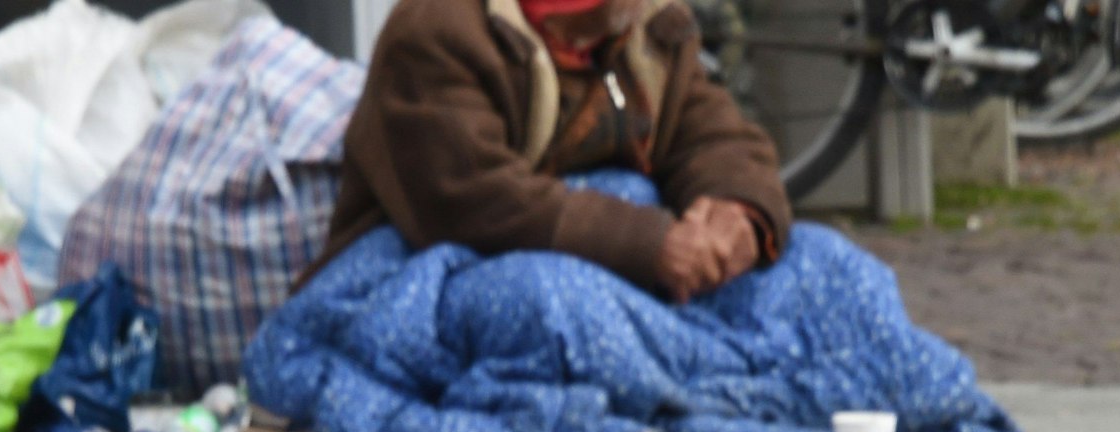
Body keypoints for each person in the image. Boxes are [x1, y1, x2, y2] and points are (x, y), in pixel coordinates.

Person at [303, 0, 791, 303]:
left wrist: (739, 212)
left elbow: (710, 130)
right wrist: (651, 245)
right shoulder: (436, 30)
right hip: (430, 273)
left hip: (616, 264)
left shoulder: (646, 25)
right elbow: (472, 201)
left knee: (817, 267)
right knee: (555, 307)